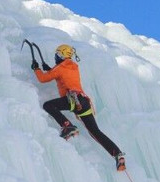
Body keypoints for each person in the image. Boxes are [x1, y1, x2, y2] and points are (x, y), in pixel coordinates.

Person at [33, 43, 126, 171]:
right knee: (95, 132)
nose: (55, 57)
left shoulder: (59, 68)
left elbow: (43, 79)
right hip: (84, 102)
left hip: (73, 100)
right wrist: (50, 69)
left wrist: (36, 68)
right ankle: (118, 154)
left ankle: (67, 126)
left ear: (61, 55)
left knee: (48, 105)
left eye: (57, 55)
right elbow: (62, 78)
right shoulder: (73, 67)